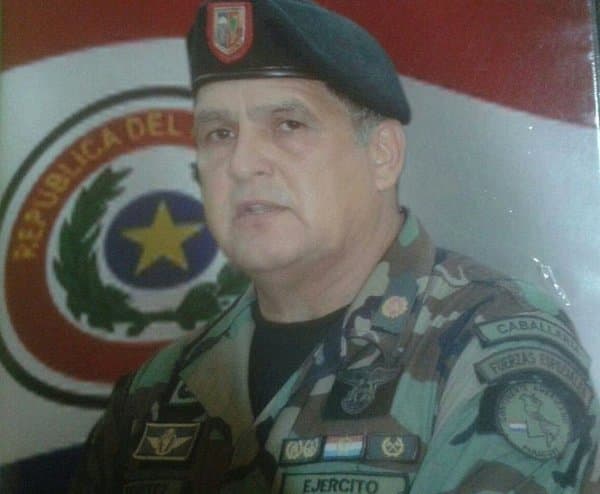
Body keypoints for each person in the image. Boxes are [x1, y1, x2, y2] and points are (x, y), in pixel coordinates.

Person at [71, 1, 600, 492]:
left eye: (288, 125)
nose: (241, 163)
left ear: (383, 155)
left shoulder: (490, 351)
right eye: (218, 134)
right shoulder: (158, 389)